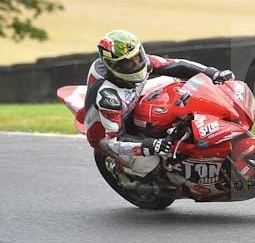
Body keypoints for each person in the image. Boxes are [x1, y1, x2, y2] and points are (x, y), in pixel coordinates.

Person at [84, 29, 234, 177]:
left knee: (175, 82)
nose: (137, 63)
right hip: (109, 133)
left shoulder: (139, 63)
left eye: (138, 57)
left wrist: (212, 73)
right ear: (114, 66)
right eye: (129, 63)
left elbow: (175, 65)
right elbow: (112, 141)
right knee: (151, 163)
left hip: (132, 97)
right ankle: (118, 166)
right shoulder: (108, 98)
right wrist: (148, 145)